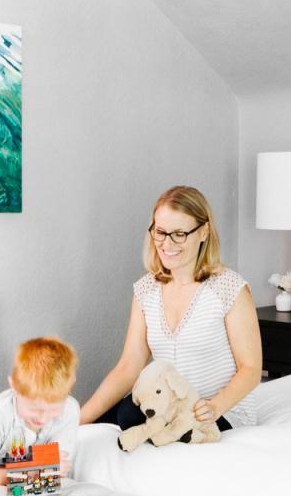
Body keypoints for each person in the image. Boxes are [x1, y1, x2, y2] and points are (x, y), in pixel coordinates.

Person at [80, 185, 261, 433]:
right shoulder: (146, 290)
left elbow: (251, 369)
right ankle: (32, 462)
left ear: (203, 232)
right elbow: (129, 366)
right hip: (165, 406)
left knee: (133, 417)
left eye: (179, 234)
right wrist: (77, 421)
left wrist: (215, 406)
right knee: (101, 427)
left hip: (222, 411)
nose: (167, 243)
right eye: (161, 232)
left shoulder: (229, 289)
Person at [0, 336, 80, 490]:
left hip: (24, 485)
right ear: (14, 386)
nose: (43, 418)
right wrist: (33, 471)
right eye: (34, 409)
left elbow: (56, 475)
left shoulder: (69, 410)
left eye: (53, 410)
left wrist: (38, 472)